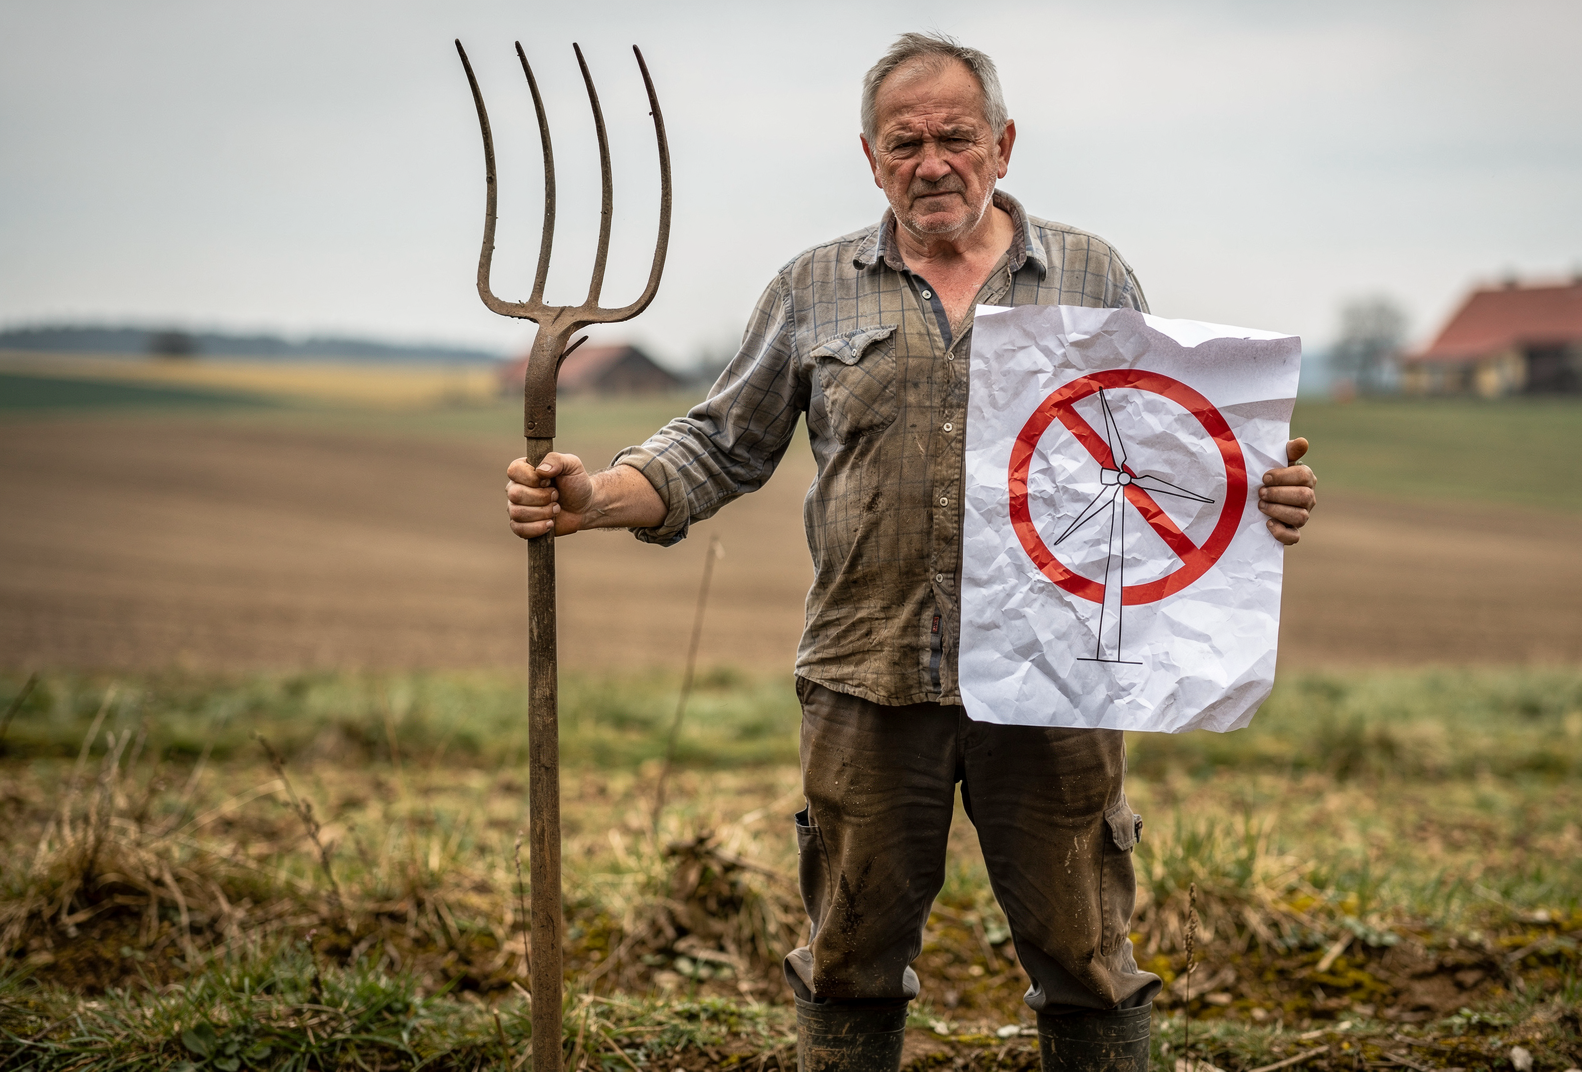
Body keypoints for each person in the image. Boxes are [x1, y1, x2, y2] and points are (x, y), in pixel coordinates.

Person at [505, 31, 1318, 1072]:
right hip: (867, 675)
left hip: (1055, 679)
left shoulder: (1088, 271)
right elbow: (718, 444)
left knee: (1085, 954)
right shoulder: (813, 288)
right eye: (905, 143)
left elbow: (1166, 447)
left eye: (955, 137)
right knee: (848, 957)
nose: (931, 162)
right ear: (870, 158)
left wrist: (1262, 493)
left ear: (1003, 145)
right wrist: (595, 495)